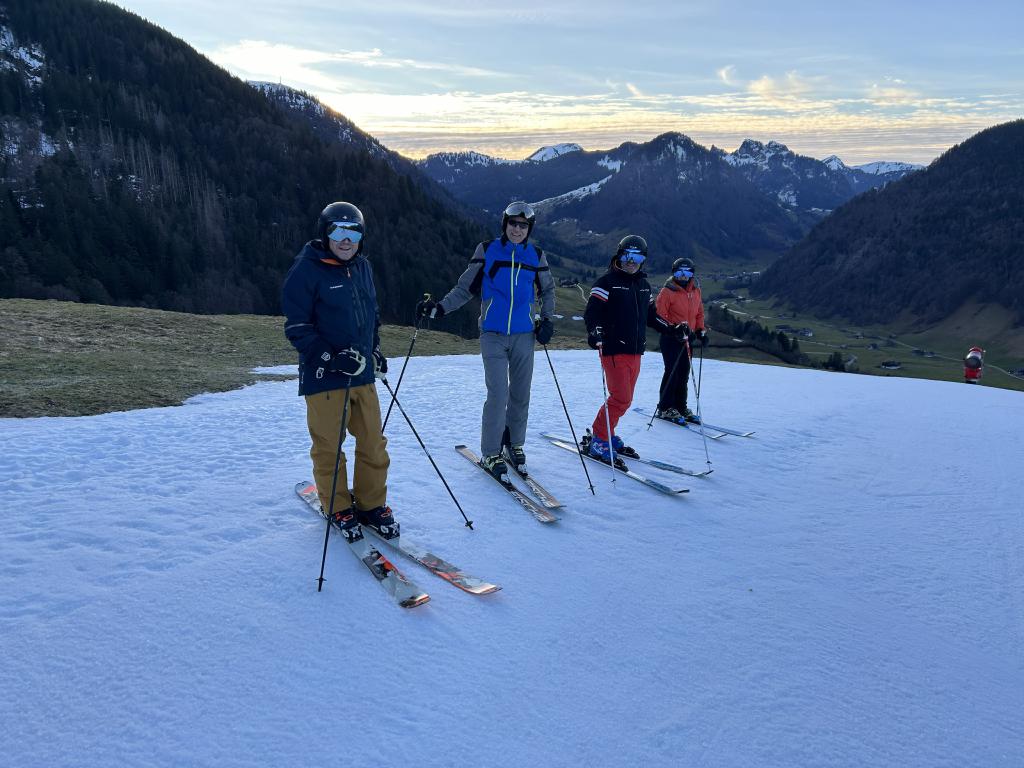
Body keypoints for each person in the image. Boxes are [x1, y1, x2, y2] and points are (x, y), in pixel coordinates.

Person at [281, 201, 398, 542]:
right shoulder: (306, 270)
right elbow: (297, 327)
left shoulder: (362, 267)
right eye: (338, 231)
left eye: (354, 232)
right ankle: (338, 506)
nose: (346, 240)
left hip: (362, 374)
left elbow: (371, 315)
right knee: (329, 447)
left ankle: (371, 505)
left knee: (373, 442)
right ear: (325, 233)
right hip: (325, 378)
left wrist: (374, 350)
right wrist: (331, 358)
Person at [416, 201, 556, 479]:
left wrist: (547, 320)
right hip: (492, 334)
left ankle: (514, 444)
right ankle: (491, 452)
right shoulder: (488, 250)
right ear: (505, 224)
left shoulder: (536, 255)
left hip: (524, 335)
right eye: (513, 224)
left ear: (529, 229)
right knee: (498, 394)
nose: (517, 229)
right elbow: (465, 288)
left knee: (521, 393)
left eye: (523, 225)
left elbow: (548, 290)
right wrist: (440, 308)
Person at [582, 235, 670, 465]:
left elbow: (651, 317)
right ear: (619, 256)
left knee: (625, 399)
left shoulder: (643, 286)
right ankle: (600, 438)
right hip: (613, 349)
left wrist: (673, 329)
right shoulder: (606, 282)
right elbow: (592, 313)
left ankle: (607, 432)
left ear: (643, 260)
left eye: (637, 257)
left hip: (635, 350)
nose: (631, 261)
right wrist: (595, 331)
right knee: (620, 398)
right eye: (627, 256)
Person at [654, 257, 708, 423]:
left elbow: (699, 313)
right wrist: (674, 329)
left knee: (684, 373)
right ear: (674, 273)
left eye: (687, 272)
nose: (683, 275)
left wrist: (700, 330)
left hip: (687, 339)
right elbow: (659, 316)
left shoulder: (695, 291)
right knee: (672, 372)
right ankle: (665, 408)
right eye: (679, 272)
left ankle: (680, 407)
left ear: (692, 274)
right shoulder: (667, 291)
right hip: (671, 338)